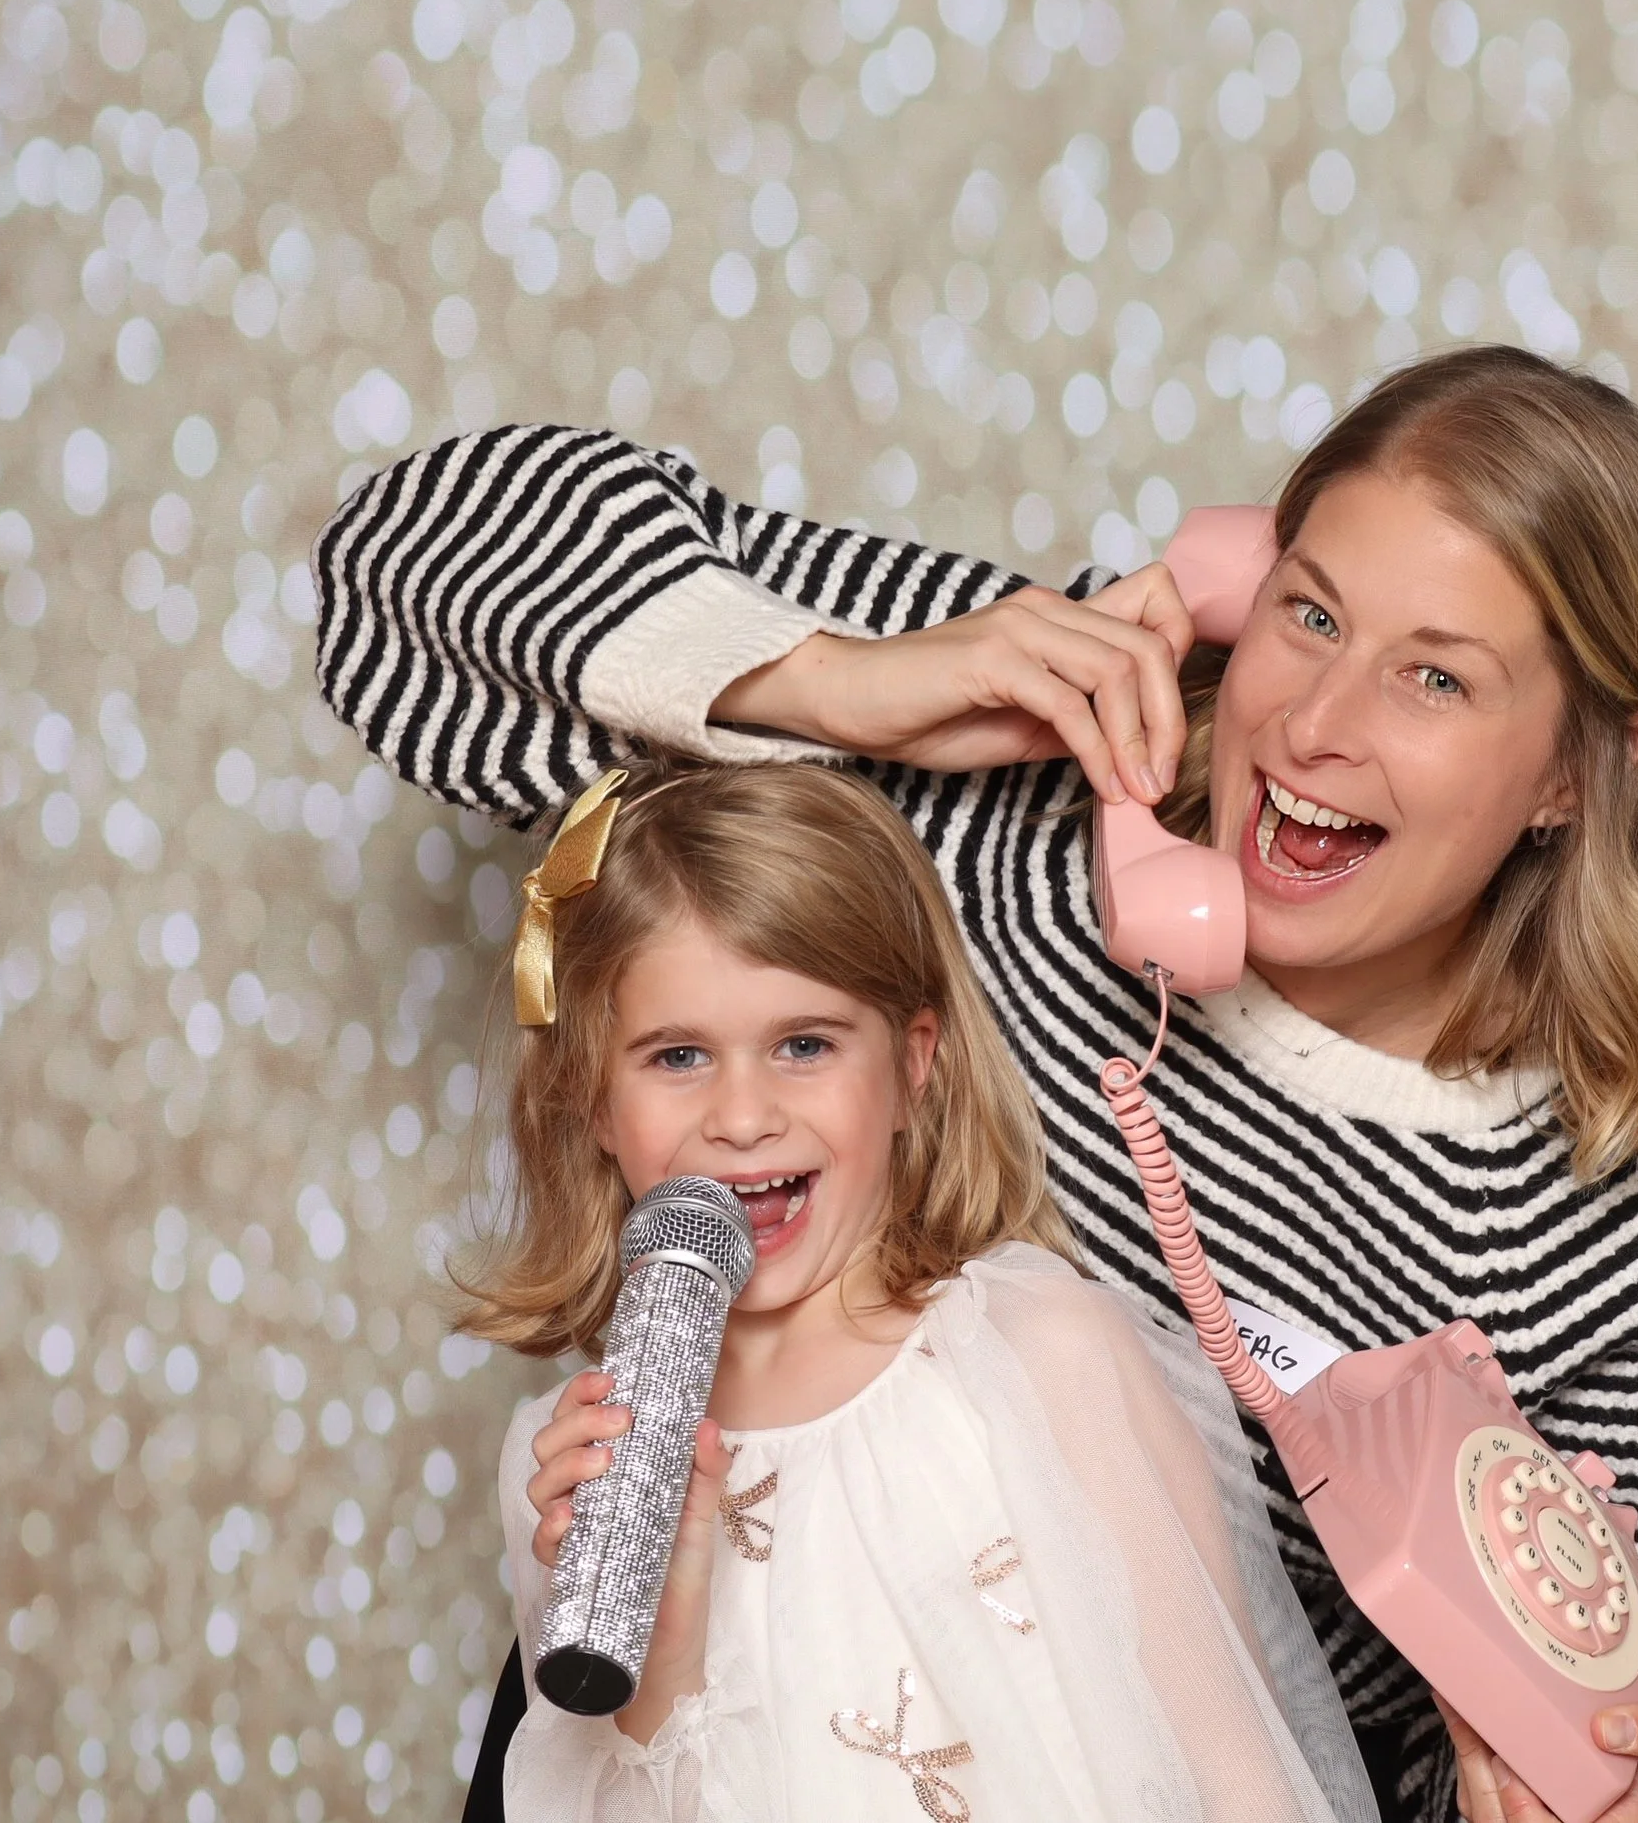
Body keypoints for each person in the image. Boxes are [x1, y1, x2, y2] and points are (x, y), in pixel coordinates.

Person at [318, 346, 1638, 1822]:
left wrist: (1630, 1780)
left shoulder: (1621, 1213)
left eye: (1435, 675)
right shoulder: (1045, 738)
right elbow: (394, 580)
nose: (1315, 723)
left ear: (1580, 769)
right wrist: (854, 688)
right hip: (694, 1703)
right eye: (1312, 611)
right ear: (1236, 583)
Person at [468, 758, 1387, 1820]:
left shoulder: (1038, 1351)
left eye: (803, 1044)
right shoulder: (575, 1456)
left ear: (914, 1068)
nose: (743, 1113)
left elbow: (1240, 1785)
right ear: (591, 1102)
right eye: (678, 1055)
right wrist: (659, 1659)